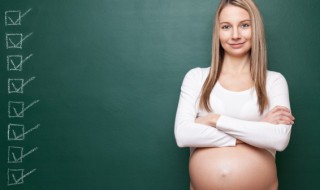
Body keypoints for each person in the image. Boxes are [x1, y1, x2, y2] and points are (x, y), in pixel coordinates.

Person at [174, 0, 294, 189]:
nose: (235, 35)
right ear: (218, 32)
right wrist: (258, 129)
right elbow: (183, 135)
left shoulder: (274, 81)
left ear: (256, 29)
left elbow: (278, 139)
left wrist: (214, 119)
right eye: (226, 27)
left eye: (244, 25)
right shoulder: (196, 77)